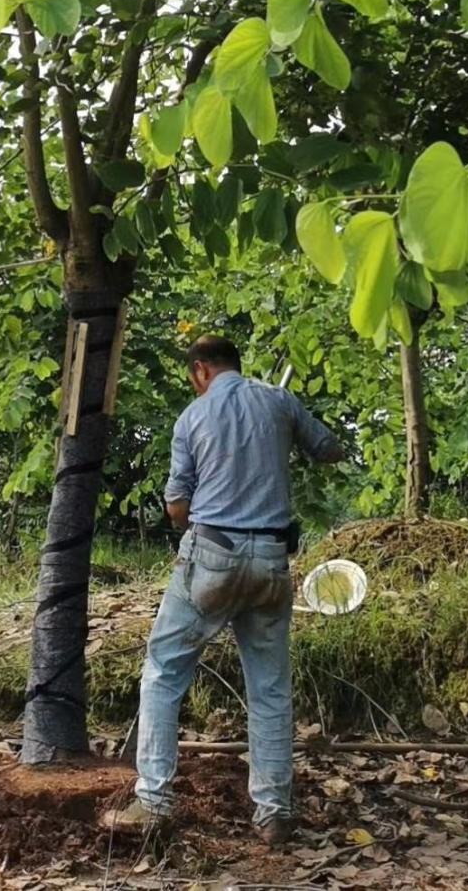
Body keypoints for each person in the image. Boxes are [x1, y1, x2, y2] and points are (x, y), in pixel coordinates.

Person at [107, 334, 345, 846]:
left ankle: (152, 801)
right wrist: (288, 440)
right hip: (271, 562)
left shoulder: (191, 418)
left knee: (164, 670)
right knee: (270, 689)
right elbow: (330, 449)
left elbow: (176, 508)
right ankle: (274, 813)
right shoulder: (279, 402)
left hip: (210, 557)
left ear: (199, 371)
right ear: (236, 364)